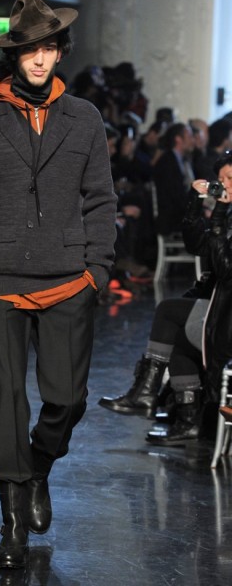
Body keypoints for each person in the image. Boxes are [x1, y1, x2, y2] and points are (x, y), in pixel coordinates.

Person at [0, 0, 117, 570]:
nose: (40, 59)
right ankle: (14, 524)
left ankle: (38, 466)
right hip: (0, 277)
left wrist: (98, 270)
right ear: (13, 55)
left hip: (70, 277)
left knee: (66, 400)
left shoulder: (84, 116)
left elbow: (101, 198)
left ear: (61, 51)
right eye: (30, 50)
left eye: (49, 48)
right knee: (7, 400)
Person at [99, 151, 232, 446]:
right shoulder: (228, 212)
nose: (225, 185)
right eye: (221, 179)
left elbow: (225, 269)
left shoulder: (227, 214)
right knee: (176, 336)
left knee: (169, 312)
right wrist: (196, 202)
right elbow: (196, 245)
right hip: (220, 309)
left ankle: (148, 394)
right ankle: (186, 419)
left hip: (227, 317)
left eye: (231, 179)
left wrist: (219, 216)